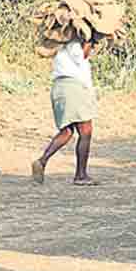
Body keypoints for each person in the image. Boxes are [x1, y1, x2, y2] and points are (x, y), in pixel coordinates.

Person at [31, 37, 100, 186]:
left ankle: (42, 161)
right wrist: (89, 41)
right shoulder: (73, 43)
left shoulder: (59, 46)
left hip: (59, 88)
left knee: (67, 131)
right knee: (85, 132)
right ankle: (81, 175)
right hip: (73, 88)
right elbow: (80, 56)